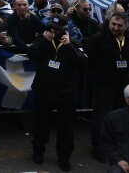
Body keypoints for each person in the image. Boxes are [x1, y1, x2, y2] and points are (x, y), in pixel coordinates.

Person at [27, 14, 87, 171]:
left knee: (66, 128)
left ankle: (64, 157)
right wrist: (43, 41)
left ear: (64, 30)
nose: (53, 31)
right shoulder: (43, 39)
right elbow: (31, 54)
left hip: (66, 93)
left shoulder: (73, 43)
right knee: (40, 124)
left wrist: (68, 46)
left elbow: (82, 62)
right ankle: (38, 151)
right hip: (44, 90)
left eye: (57, 29)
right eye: (51, 28)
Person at [87, 12, 129, 162]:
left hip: (124, 85)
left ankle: (117, 147)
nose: (116, 28)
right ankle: (99, 149)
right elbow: (90, 60)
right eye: (113, 24)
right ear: (109, 23)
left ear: (126, 26)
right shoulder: (98, 38)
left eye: (119, 25)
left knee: (121, 116)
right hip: (103, 84)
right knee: (101, 117)